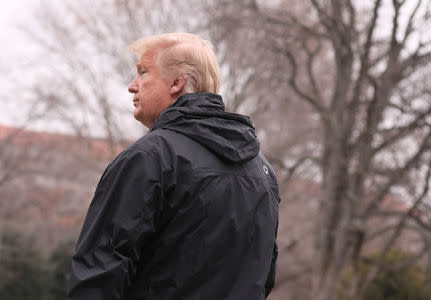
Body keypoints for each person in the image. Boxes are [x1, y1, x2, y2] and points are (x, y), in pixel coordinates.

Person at [67, 33, 280, 300]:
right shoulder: (262, 171)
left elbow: (98, 272)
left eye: (143, 72)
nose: (132, 86)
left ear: (176, 83)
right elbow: (263, 277)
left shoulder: (149, 159)